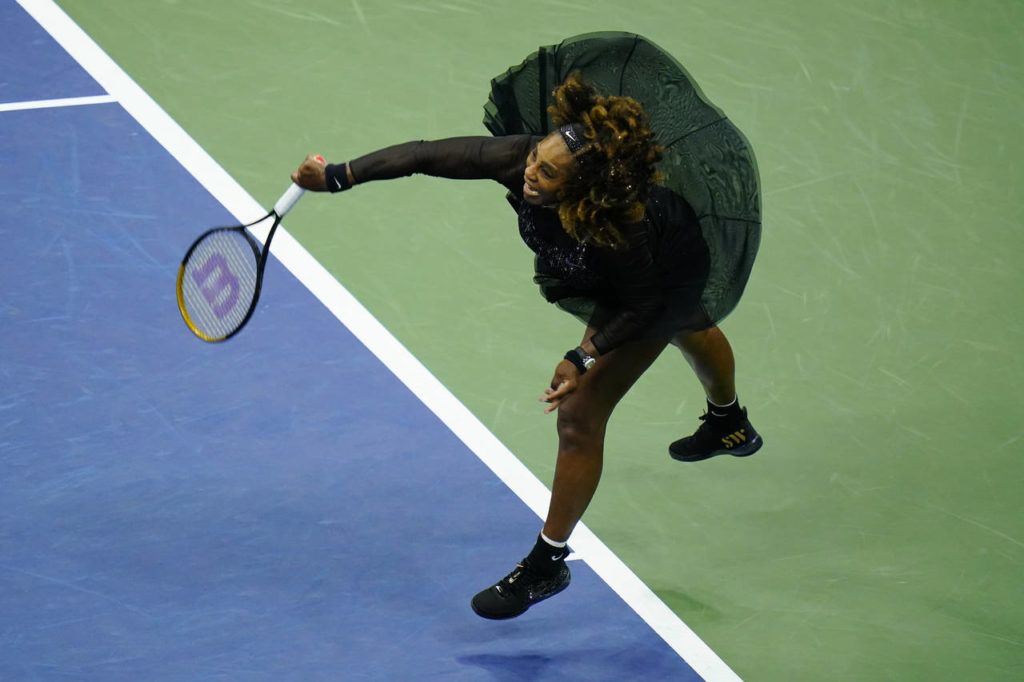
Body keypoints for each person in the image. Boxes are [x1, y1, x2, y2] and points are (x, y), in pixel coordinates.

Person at [290, 32, 762, 620]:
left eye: (549, 174)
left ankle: (547, 564)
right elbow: (424, 155)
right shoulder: (521, 159)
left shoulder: (623, 227)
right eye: (536, 159)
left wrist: (583, 356)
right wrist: (340, 175)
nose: (531, 175)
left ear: (583, 188)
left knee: (581, 414)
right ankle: (729, 424)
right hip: (623, 267)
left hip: (657, 279)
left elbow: (641, 308)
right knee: (688, 328)